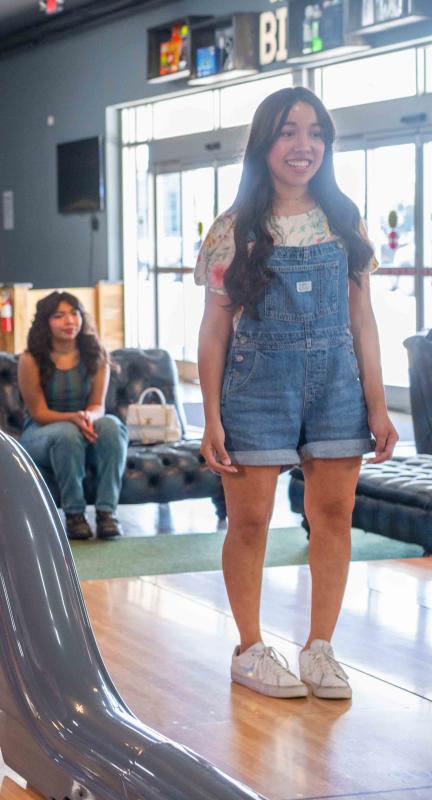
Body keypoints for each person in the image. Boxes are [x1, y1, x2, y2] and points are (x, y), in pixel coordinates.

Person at [195, 87, 398, 701]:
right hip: (255, 388)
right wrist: (210, 416)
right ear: (264, 143)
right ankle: (250, 648)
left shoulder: (345, 220)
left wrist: (378, 403)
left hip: (337, 384)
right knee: (250, 521)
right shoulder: (232, 230)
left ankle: (320, 649)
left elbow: (363, 320)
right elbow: (213, 327)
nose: (303, 145)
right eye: (288, 131)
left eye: (315, 133)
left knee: (333, 517)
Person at [17, 291, 127, 540]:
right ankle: (74, 515)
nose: (69, 321)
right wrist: (72, 419)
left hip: (83, 424)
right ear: (46, 322)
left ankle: (106, 513)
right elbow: (39, 413)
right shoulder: (30, 359)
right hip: (41, 432)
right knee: (67, 434)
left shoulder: (97, 355)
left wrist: (86, 417)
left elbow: (98, 405)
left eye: (74, 313)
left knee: (112, 426)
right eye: (59, 316)